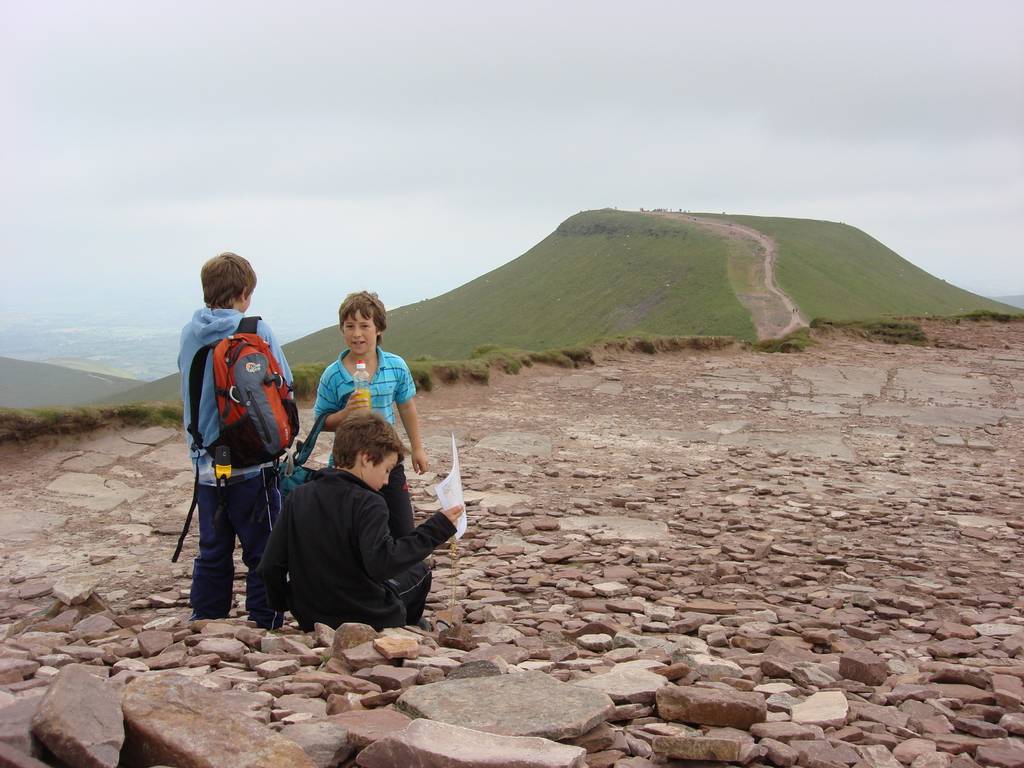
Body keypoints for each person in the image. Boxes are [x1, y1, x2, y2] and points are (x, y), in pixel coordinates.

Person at [258, 412, 462, 630]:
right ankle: (406, 625)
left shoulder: (299, 496)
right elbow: (382, 564)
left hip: (311, 616)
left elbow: (270, 565)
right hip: (368, 615)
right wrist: (436, 528)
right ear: (365, 458)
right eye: (386, 470)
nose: (385, 481)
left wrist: (284, 602)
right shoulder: (369, 502)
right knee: (419, 571)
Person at [177, 252, 292, 630]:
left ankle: (206, 620)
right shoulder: (257, 330)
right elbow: (283, 385)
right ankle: (266, 619)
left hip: (207, 462)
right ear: (245, 292)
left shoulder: (190, 332)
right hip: (252, 464)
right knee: (263, 549)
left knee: (213, 547)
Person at [313, 291, 426, 539]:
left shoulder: (396, 366)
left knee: (402, 530)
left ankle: (403, 577)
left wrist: (417, 448)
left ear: (379, 329)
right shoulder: (333, 374)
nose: (356, 334)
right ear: (341, 329)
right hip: (348, 467)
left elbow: (406, 407)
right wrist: (345, 414)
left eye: (365, 325)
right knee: (351, 535)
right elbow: (321, 422)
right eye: (349, 326)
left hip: (388, 461)